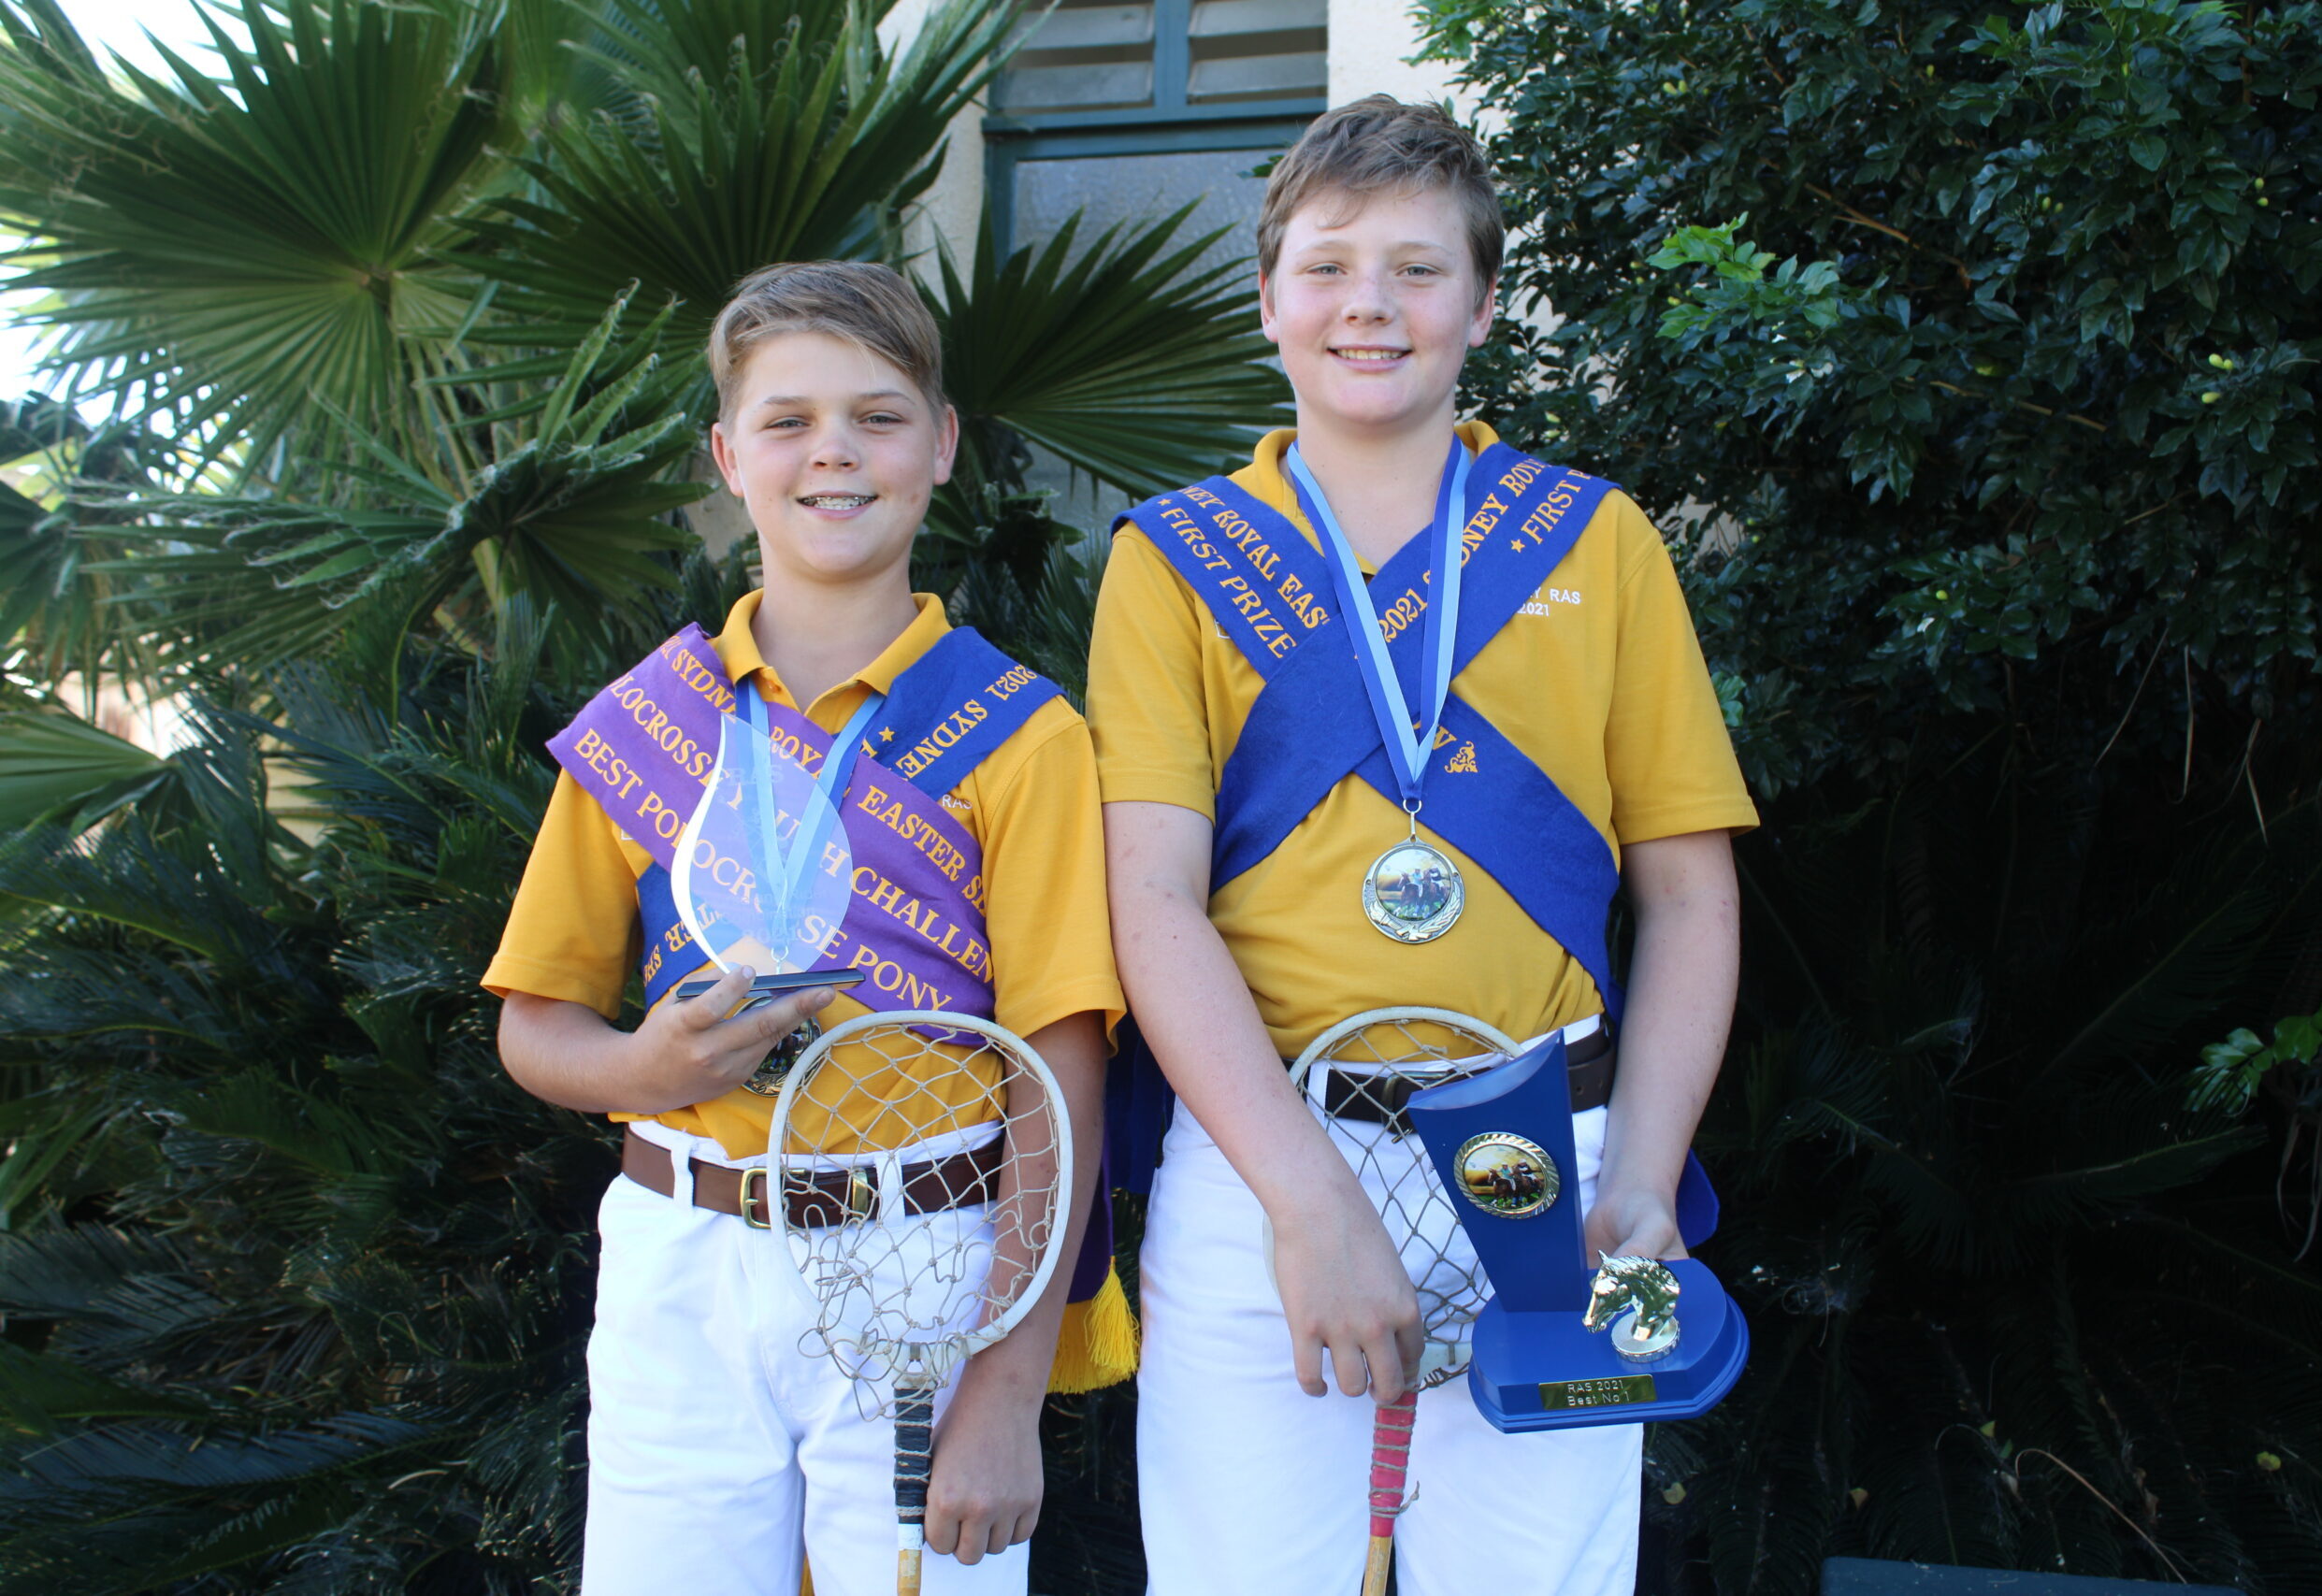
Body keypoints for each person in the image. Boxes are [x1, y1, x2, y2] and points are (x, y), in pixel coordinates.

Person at [1087, 96, 1759, 1595]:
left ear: (1483, 301)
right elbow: (1151, 902)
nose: (1368, 307)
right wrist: (1312, 1205)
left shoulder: (1598, 540)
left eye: (1416, 268)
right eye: (1326, 268)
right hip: (1271, 1160)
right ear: (1268, 303)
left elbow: (1690, 902)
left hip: (1554, 1160)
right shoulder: (1175, 560)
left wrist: (1642, 1181)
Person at [484, 261, 1128, 1596]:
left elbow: (1058, 1075)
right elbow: (533, 1024)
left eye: (879, 417)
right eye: (787, 422)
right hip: (683, 1260)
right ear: (728, 456)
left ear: (942, 447)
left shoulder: (1024, 737)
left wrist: (1009, 1390)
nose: (832, 452)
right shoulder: (651, 721)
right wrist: (640, 1075)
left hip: (929, 1268)